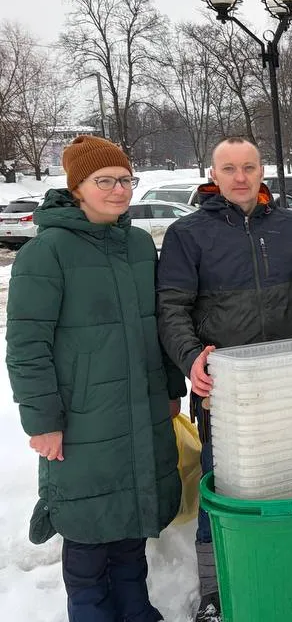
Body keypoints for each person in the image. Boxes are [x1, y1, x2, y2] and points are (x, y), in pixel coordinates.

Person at [6, 135, 184, 621]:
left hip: (142, 410)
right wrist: (41, 421)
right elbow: (26, 346)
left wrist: (171, 389)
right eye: (104, 181)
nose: (118, 190)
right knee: (88, 533)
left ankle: (136, 610)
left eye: (125, 180)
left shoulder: (138, 245)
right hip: (82, 421)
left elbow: (160, 323)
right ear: (77, 187)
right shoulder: (47, 253)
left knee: (131, 526)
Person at [157, 136, 292, 622]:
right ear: (214, 173)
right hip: (227, 390)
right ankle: (217, 586)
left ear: (262, 170)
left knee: (289, 475)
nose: (241, 177)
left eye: (249, 167)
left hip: (289, 380)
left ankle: (286, 565)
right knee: (222, 484)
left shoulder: (291, 228)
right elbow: (172, 308)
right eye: (230, 168)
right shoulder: (189, 234)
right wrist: (191, 360)